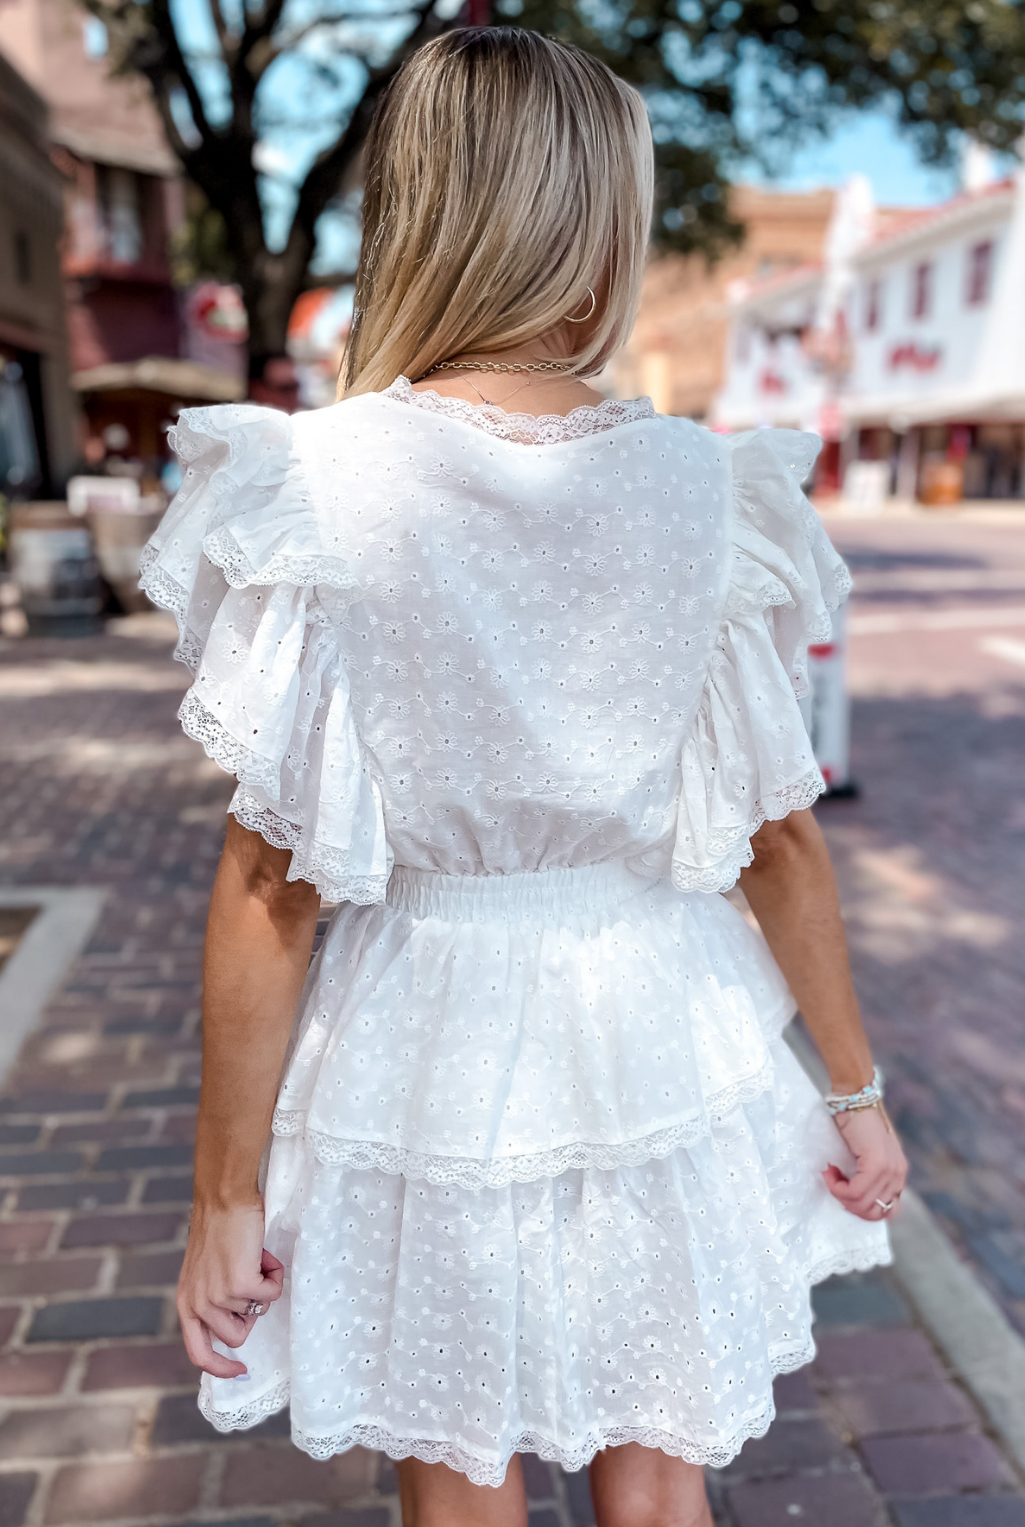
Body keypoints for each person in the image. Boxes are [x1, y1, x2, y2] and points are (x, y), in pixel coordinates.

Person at [140, 27, 906, 1527]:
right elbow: (780, 842)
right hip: (658, 1014)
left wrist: (222, 1194)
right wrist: (855, 1087)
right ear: (601, 227)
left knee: (459, 1471)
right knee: (658, 1468)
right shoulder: (705, 485)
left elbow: (270, 887)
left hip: (425, 1026)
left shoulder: (316, 481)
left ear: (418, 215)